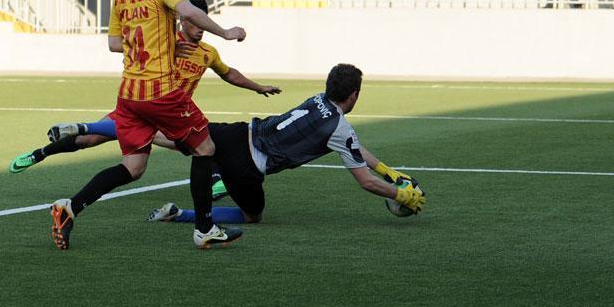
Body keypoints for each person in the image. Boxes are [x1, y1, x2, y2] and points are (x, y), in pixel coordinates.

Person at [49, 0, 248, 251]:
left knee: (133, 167)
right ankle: (204, 228)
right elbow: (189, 12)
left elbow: (115, 43)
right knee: (205, 148)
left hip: (129, 94)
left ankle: (70, 207)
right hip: (160, 91)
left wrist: (165, 45)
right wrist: (225, 32)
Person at [9, 0, 280, 178]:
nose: (200, 28)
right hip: (141, 105)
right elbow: (129, 47)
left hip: (172, 114)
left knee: (200, 144)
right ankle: (39, 154)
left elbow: (228, 73)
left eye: (203, 23)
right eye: (195, 21)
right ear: (182, 20)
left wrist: (258, 87)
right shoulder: (163, 42)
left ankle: (217, 179)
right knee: (87, 141)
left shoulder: (208, 53)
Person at [146, 64, 427, 226]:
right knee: (251, 216)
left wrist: (387, 171)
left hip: (239, 132)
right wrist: (400, 194)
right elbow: (365, 181)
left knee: (186, 140)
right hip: (247, 165)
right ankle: (180, 214)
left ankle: (131, 133)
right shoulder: (338, 128)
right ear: (354, 96)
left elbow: (353, 147)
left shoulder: (318, 99)